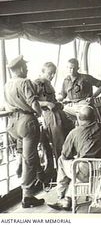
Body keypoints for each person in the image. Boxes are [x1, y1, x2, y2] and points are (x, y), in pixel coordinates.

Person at [47, 106, 101, 211]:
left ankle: (62, 197)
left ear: (79, 119)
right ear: (95, 117)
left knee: (61, 160)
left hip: (86, 172)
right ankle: (68, 198)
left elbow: (65, 155)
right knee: (79, 166)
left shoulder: (74, 133)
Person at [4, 55, 45, 208]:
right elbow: (33, 103)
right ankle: (27, 195)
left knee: (23, 155)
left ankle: (27, 175)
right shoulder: (25, 82)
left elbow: (7, 105)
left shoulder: (7, 84)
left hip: (13, 123)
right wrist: (40, 114)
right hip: (27, 122)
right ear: (20, 68)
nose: (27, 69)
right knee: (30, 159)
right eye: (25, 67)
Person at [34, 62, 74, 162]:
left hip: (58, 114)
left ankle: (67, 164)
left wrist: (58, 103)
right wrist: (46, 103)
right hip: (49, 116)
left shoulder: (48, 84)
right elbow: (32, 102)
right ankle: (61, 168)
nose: (52, 76)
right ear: (42, 72)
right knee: (58, 142)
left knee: (68, 138)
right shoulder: (37, 84)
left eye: (53, 73)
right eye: (49, 73)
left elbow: (53, 100)